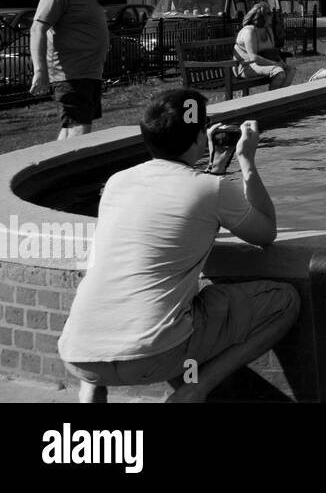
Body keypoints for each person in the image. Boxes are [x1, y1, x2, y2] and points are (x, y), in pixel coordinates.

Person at [58, 89, 299, 402]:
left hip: (79, 353)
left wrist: (215, 166)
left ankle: (91, 391)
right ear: (200, 136)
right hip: (152, 355)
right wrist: (246, 161)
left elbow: (177, 208)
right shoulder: (212, 188)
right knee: (286, 301)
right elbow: (266, 233)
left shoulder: (117, 182)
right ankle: (194, 391)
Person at [30, 0, 109, 139]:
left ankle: (54, 170)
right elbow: (37, 28)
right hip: (72, 74)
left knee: (71, 130)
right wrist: (40, 71)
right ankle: (75, 172)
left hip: (87, 73)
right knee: (79, 132)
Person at [233, 3, 295, 91]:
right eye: (269, 13)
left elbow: (271, 52)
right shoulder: (249, 31)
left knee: (291, 70)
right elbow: (253, 57)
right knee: (279, 72)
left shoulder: (268, 30)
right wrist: (275, 64)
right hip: (246, 66)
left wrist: (279, 61)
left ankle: (279, 99)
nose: (272, 15)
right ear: (261, 16)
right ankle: (271, 101)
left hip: (261, 63)